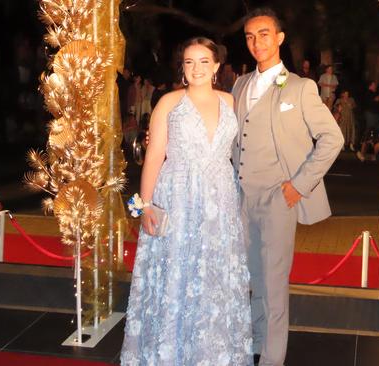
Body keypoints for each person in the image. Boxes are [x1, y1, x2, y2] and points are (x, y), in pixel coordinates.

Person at [121, 37, 252, 366]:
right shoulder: (168, 101)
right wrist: (144, 206)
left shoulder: (231, 101)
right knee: (176, 274)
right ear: (182, 68)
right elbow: (153, 157)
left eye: (204, 61)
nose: (196, 68)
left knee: (214, 275)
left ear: (217, 66)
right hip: (177, 196)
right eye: (189, 62)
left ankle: (213, 351)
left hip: (221, 198)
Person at [231, 8, 344, 366]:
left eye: (264, 34)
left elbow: (332, 138)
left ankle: (272, 359)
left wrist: (300, 184)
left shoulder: (300, 86)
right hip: (241, 196)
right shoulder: (239, 84)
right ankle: (256, 344)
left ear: (279, 38)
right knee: (253, 277)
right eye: (250, 36)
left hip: (279, 197)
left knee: (274, 282)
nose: (256, 42)